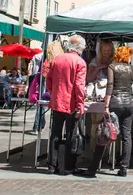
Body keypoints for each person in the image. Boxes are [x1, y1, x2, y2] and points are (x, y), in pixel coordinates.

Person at [86, 45, 133, 178]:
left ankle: (93, 168)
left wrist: (106, 105)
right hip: (128, 104)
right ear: (127, 57)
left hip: (115, 103)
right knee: (126, 137)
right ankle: (124, 167)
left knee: (105, 133)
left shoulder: (112, 66)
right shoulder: (132, 68)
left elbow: (110, 85)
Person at [46, 34, 87, 175]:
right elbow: (79, 86)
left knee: (55, 134)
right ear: (80, 48)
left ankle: (52, 165)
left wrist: (54, 93)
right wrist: (80, 104)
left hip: (57, 101)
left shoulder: (56, 59)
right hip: (71, 103)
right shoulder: (80, 62)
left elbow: (48, 80)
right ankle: (69, 166)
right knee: (71, 135)